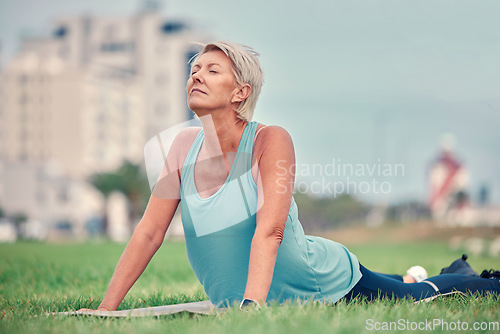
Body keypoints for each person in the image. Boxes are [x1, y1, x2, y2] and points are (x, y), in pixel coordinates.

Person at [80, 41, 500, 311]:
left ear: (241, 92)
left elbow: (271, 230)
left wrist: (251, 308)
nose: (196, 75)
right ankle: (414, 274)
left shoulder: (270, 140)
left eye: (211, 70)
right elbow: (149, 233)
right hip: (258, 292)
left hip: (320, 283)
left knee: (415, 298)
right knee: (397, 282)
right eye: (194, 69)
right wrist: (104, 311)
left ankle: (466, 278)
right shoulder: (180, 149)